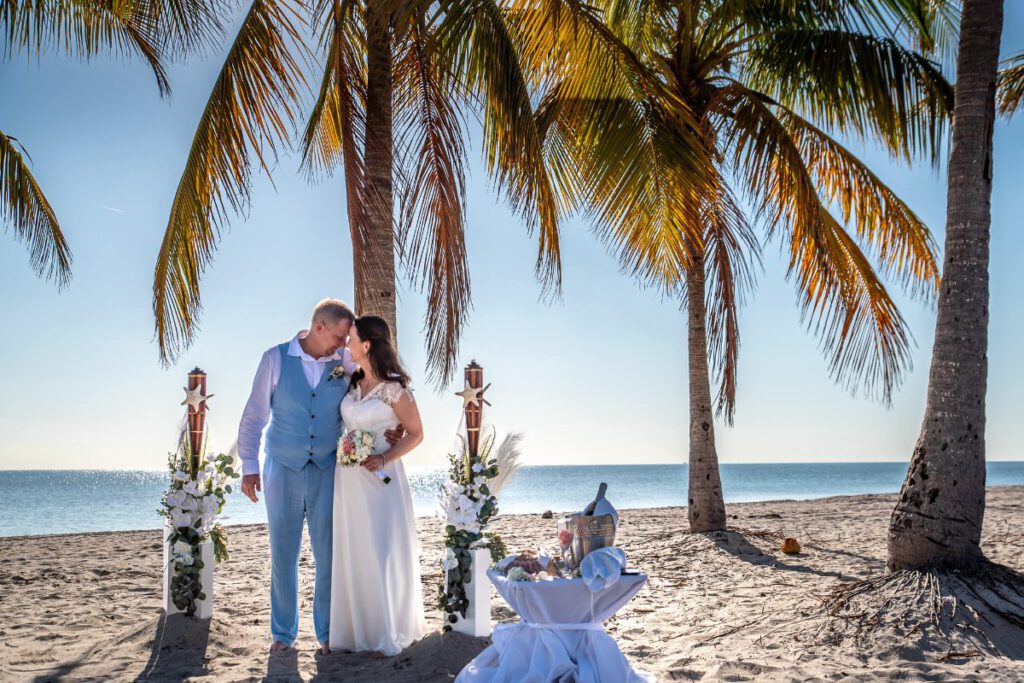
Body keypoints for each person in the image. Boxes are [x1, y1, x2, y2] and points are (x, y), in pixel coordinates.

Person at [236, 299, 400, 653]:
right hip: (282, 467)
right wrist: (249, 466)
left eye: (347, 340)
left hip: (329, 470)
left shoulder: (341, 364)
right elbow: (254, 416)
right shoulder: (276, 359)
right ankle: (283, 634)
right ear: (319, 327)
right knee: (283, 554)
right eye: (340, 337)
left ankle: (327, 633)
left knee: (328, 554)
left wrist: (392, 432)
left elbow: (372, 392)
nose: (344, 345)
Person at [328, 315, 426, 657]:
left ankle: (386, 633)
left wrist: (385, 458)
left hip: (381, 480)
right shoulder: (352, 384)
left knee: (383, 550)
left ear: (367, 344)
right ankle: (357, 633)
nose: (346, 343)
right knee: (355, 551)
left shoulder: (395, 389)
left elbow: (416, 433)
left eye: (351, 338)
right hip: (348, 482)